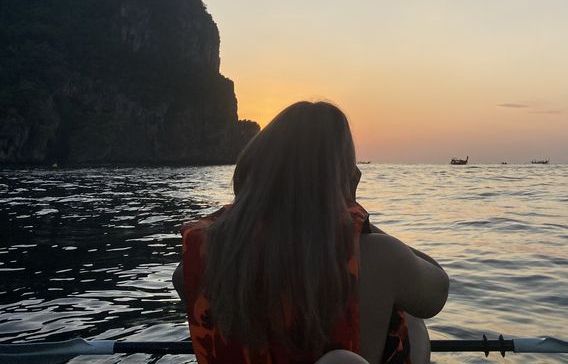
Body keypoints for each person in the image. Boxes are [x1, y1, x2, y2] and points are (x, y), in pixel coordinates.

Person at [173, 101, 448, 364]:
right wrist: (354, 214)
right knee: (410, 317)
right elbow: (437, 290)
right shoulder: (380, 258)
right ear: (344, 180)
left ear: (250, 172)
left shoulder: (194, 267)